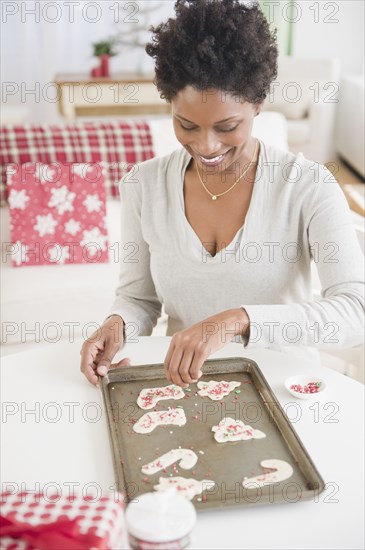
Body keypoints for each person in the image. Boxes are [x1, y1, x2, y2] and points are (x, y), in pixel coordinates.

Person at [80, 0, 364, 388]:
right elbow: (138, 299)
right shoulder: (142, 185)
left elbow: (355, 314)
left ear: (259, 103)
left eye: (227, 126)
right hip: (183, 388)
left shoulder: (307, 186)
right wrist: (116, 324)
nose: (207, 146)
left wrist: (238, 320)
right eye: (187, 125)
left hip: (283, 385)